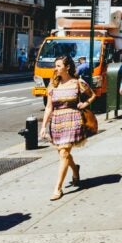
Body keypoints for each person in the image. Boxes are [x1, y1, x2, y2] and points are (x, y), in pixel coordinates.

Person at [39, 55, 96, 201]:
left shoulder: (78, 82)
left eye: (58, 66)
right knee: (62, 152)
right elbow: (48, 107)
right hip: (57, 122)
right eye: (55, 66)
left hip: (73, 120)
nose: (55, 68)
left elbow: (92, 95)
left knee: (64, 153)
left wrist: (84, 104)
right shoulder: (53, 84)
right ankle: (75, 169)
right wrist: (43, 126)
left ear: (67, 67)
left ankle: (58, 188)